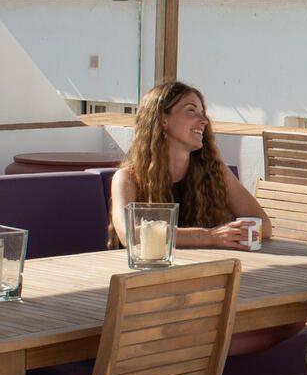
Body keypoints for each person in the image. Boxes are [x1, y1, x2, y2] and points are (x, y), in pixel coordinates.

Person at [109, 80, 269, 249]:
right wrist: (209, 236)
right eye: (191, 111)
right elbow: (129, 235)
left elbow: (263, 225)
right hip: (146, 273)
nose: (204, 120)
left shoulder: (214, 171)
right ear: (163, 120)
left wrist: (233, 233)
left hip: (201, 270)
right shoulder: (128, 178)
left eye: (202, 112)